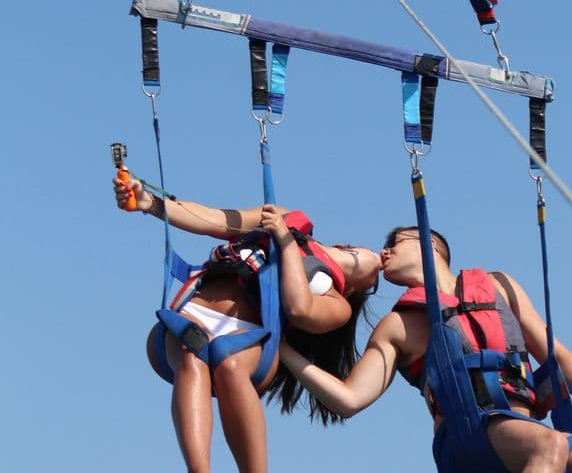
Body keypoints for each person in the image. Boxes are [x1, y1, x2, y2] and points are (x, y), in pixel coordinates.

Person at [280, 226, 572, 473]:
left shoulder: (500, 286)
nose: (384, 252)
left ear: (429, 242)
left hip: (523, 430)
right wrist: (282, 350)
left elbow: (554, 353)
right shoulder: (399, 326)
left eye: (395, 243)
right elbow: (348, 399)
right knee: (550, 445)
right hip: (466, 438)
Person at [113, 175, 380, 473]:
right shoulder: (284, 218)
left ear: (358, 286)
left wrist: (286, 243)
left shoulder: (337, 304)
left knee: (230, 366)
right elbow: (216, 220)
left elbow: (299, 309)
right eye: (359, 247)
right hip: (195, 314)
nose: (375, 255)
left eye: (372, 266)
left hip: (247, 338)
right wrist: (150, 203)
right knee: (192, 355)